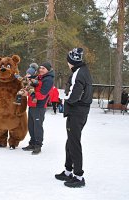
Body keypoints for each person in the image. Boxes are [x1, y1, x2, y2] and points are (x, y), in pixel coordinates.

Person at [55, 48, 92, 188]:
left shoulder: (78, 73)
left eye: (68, 61)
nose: (67, 63)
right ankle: (68, 171)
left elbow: (74, 95)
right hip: (80, 111)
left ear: (72, 61)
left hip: (77, 112)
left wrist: (64, 99)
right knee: (70, 142)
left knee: (74, 143)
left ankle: (78, 176)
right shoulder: (83, 71)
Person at [22, 62, 54, 155]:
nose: (41, 70)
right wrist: (27, 93)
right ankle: (32, 143)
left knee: (37, 127)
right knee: (31, 126)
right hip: (32, 105)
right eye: (40, 68)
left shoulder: (48, 80)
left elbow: (42, 95)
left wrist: (31, 94)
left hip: (39, 106)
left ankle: (38, 145)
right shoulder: (39, 77)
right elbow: (33, 89)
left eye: (43, 68)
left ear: (48, 69)